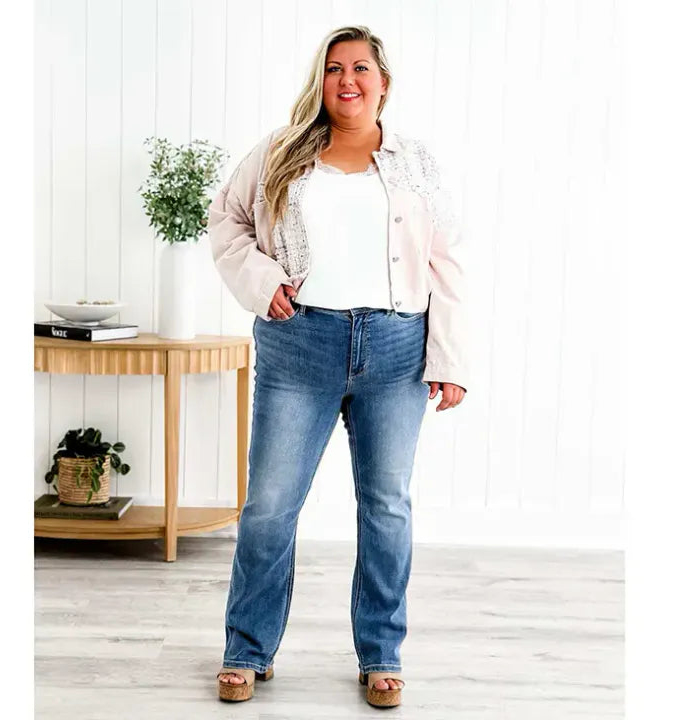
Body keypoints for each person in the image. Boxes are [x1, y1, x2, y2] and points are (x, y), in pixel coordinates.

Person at [207, 24, 468, 709]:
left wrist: (449, 359)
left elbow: (446, 262)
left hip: (396, 349)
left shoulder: (415, 163)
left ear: (383, 82)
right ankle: (247, 649)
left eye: (359, 68)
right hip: (299, 345)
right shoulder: (280, 151)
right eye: (333, 68)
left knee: (386, 507)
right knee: (270, 505)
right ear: (319, 80)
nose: (346, 80)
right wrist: (262, 281)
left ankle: (382, 654)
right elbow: (225, 221)